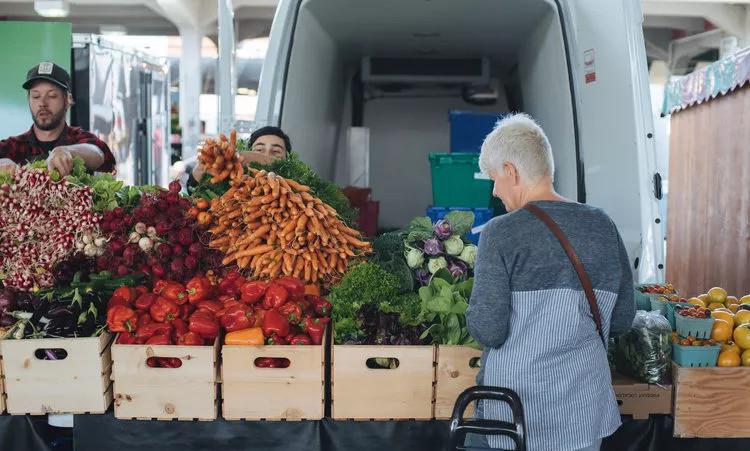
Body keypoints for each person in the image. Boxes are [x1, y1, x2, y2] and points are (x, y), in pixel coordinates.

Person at [465, 114, 635, 451]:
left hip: (514, 415)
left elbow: (489, 329)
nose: (495, 190)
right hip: (583, 414)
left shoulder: (501, 232)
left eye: (494, 178)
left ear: (511, 171)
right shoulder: (602, 225)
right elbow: (621, 319)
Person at [0, 62, 116, 176]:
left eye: (52, 96)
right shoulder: (14, 146)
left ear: (68, 100)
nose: (42, 103)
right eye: (36, 96)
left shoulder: (78, 138)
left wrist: (68, 151)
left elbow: (100, 153)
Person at [190, 125, 292, 183]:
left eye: (276, 151)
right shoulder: (234, 177)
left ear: (288, 159)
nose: (267, 155)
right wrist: (202, 167)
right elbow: (193, 190)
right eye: (259, 149)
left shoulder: (298, 185)